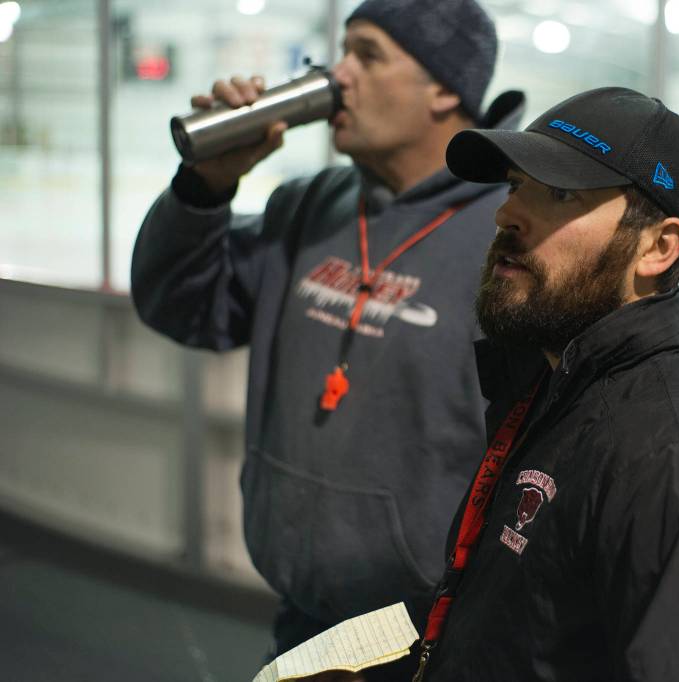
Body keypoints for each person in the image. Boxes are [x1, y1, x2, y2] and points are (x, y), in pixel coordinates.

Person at [130, 1, 523, 679]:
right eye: (342, 51)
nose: (337, 75)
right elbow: (182, 306)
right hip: (304, 617)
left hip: (435, 639)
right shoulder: (307, 207)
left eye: (367, 55)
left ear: (445, 88)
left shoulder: (510, 235)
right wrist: (206, 187)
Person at [412, 87, 679, 681]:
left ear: (659, 247)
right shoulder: (553, 392)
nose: (506, 214)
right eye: (517, 185)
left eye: (561, 193)